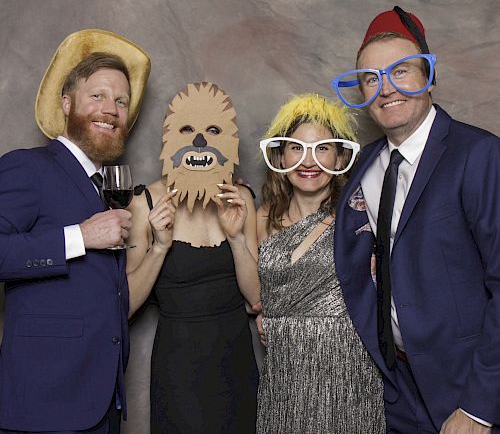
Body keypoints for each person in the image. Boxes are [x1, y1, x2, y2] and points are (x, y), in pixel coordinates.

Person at [332, 7, 500, 433]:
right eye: (372, 78)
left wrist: (480, 407)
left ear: (429, 75)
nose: (385, 89)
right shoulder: (363, 168)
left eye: (400, 70)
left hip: (467, 390)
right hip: (396, 391)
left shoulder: (479, 155)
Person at [0, 29, 150, 432]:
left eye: (121, 101)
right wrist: (79, 238)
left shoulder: (106, 188)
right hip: (44, 404)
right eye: (97, 95)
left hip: (102, 405)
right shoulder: (27, 167)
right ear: (66, 103)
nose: (111, 109)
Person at [126, 82, 260, 434]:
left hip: (236, 362)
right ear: (170, 136)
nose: (199, 140)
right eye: (188, 129)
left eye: (213, 130)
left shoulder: (241, 196)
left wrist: (235, 239)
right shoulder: (145, 203)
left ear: (228, 138)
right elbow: (124, 305)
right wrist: (159, 247)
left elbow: (257, 297)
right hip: (178, 367)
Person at [255, 93, 385, 433]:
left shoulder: (362, 213)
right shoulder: (264, 217)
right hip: (285, 374)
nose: (309, 161)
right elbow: (255, 295)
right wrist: (262, 313)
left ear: (340, 155)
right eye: (297, 148)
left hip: (347, 369)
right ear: (281, 155)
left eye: (322, 148)